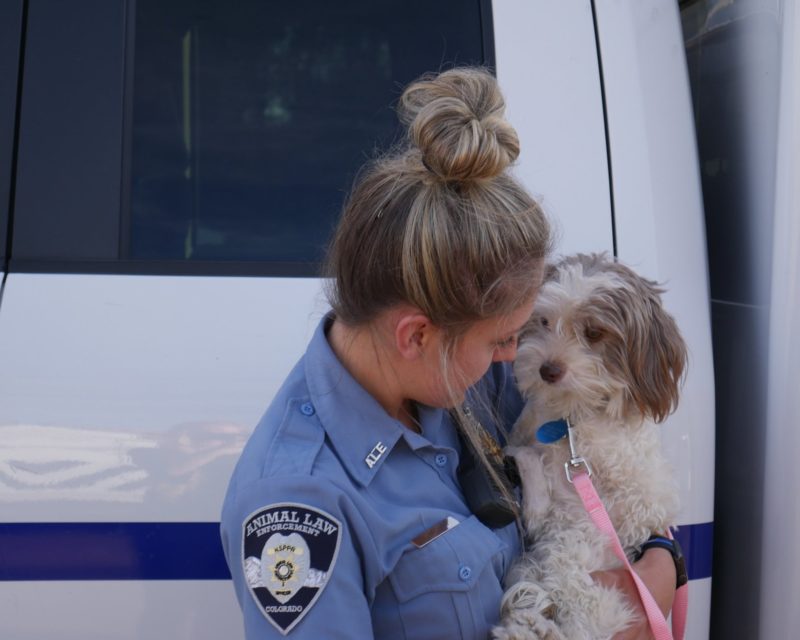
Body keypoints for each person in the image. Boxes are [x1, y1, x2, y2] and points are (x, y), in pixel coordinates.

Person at [220, 67, 675, 640]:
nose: (516, 359)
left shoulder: (466, 379)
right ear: (416, 336)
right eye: (502, 339)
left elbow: (614, 471)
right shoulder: (300, 500)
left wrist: (660, 559)